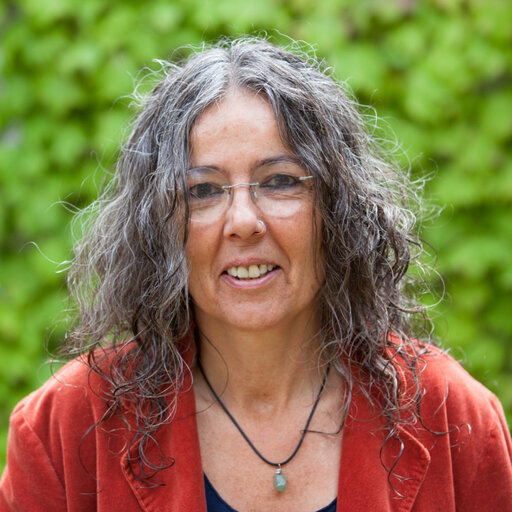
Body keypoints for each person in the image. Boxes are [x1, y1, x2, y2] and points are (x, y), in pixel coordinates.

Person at [1, 37, 511, 512]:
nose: (243, 221)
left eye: (280, 181)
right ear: (156, 226)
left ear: (338, 209)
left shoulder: (454, 417)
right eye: (203, 190)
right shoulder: (62, 429)